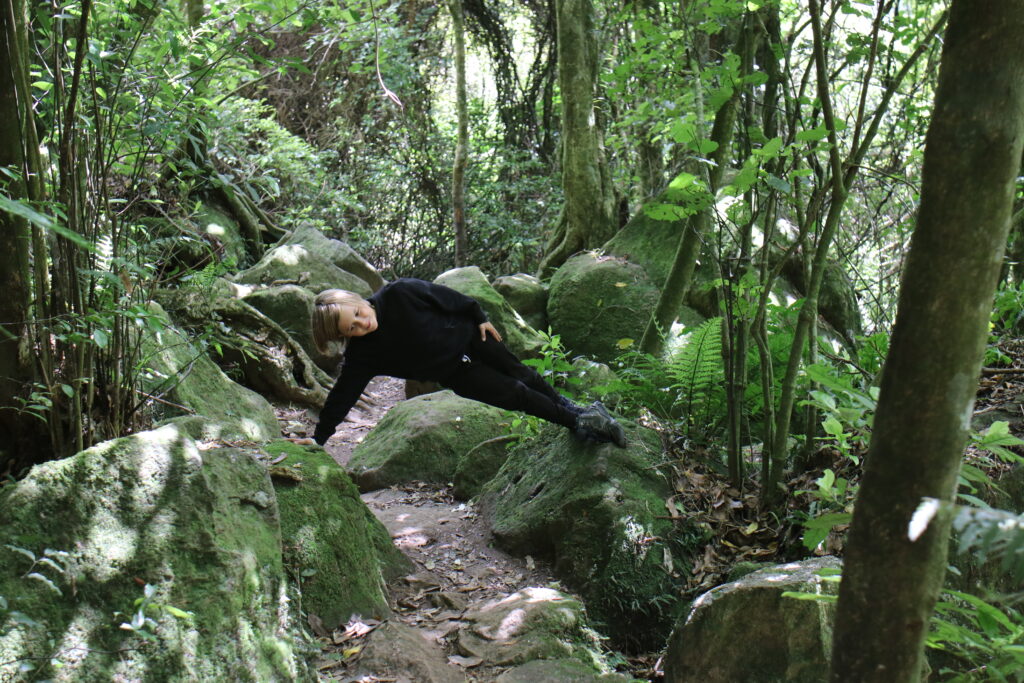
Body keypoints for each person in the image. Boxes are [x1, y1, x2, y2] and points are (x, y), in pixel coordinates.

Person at [309, 277, 627, 448]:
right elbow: (343, 395)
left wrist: (480, 318)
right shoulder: (362, 355)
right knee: (513, 394)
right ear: (344, 336)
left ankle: (577, 410)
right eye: (350, 329)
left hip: (473, 338)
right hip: (455, 372)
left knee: (522, 374)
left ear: (356, 300)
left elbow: (449, 298)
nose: (361, 325)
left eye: (357, 315)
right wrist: (318, 438)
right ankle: (580, 422)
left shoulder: (400, 293)